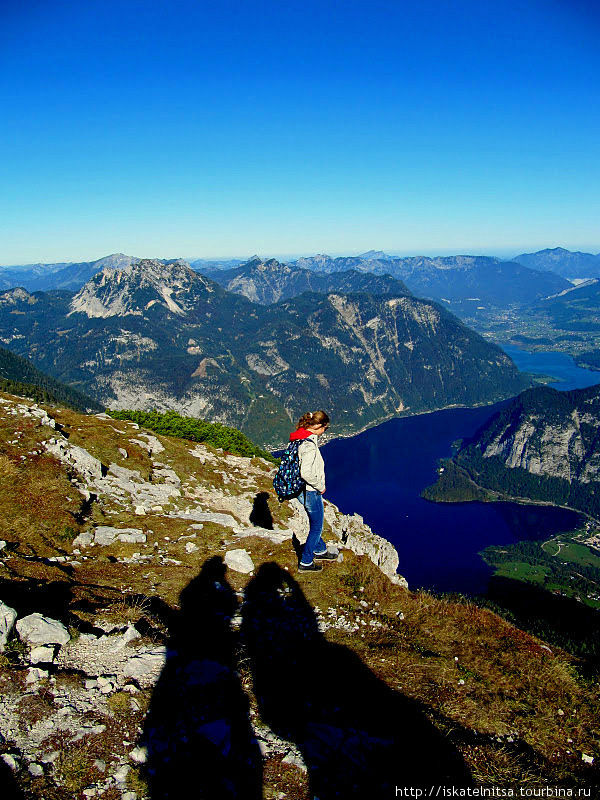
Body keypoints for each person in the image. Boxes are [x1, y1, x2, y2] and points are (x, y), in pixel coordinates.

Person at [289, 410, 337, 572]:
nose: (325, 431)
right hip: (310, 491)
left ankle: (320, 550)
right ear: (317, 426)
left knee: (315, 523)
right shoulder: (308, 445)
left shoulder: (299, 437)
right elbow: (306, 473)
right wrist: (320, 486)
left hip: (301, 489)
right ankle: (306, 562)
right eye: (325, 428)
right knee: (317, 527)